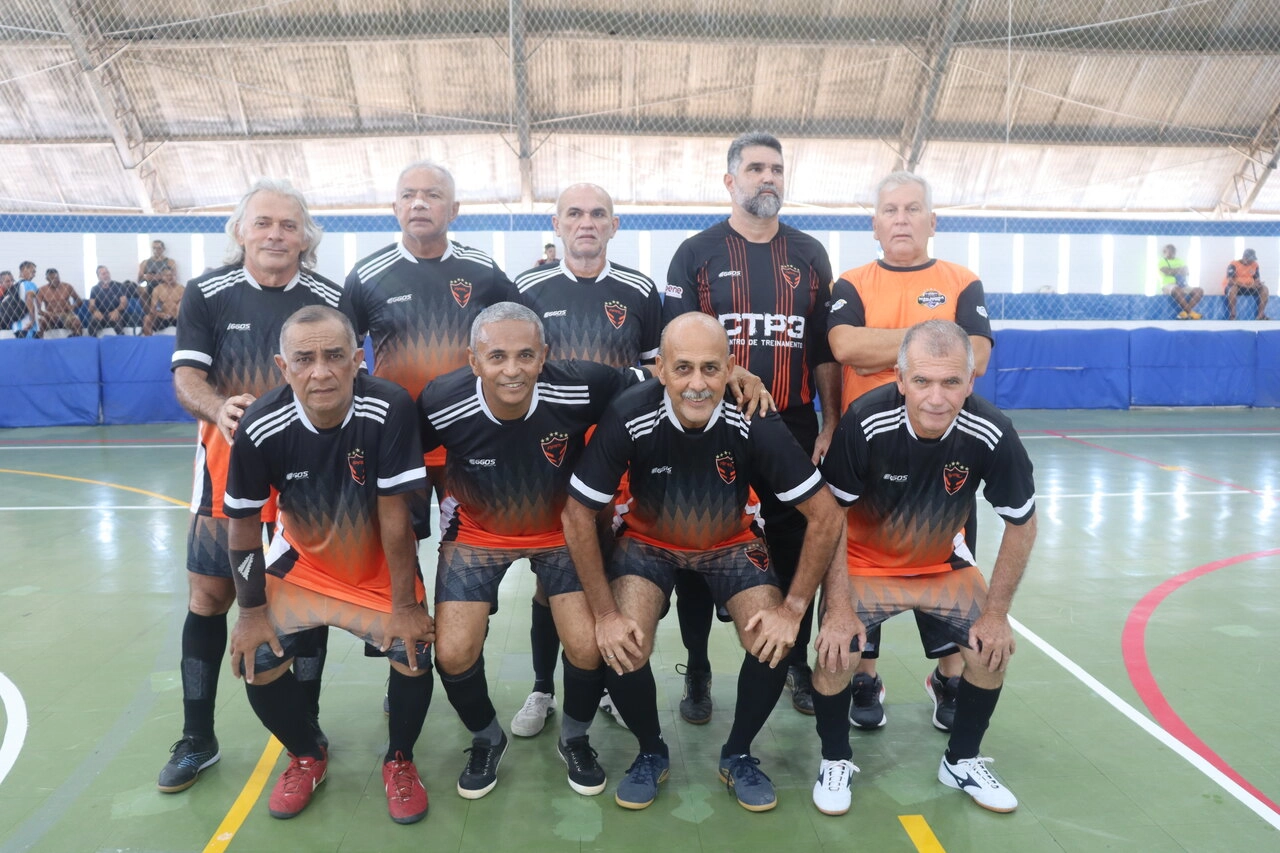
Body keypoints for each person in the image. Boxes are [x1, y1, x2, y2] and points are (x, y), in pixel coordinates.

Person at [562, 312, 842, 812]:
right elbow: (578, 516)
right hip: (648, 542)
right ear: (661, 370)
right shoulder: (630, 412)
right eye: (683, 368)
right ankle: (651, 751)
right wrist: (603, 615)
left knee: (772, 640)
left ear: (731, 368)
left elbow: (824, 516)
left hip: (730, 541)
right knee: (622, 637)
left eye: (711, 369)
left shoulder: (752, 417)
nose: (697, 384)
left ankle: (738, 755)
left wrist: (794, 609)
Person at [417, 302, 650, 800]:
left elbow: (655, 380)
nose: (512, 369)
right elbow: (394, 454)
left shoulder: (580, 384)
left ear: (544, 355)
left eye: (526, 355)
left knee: (588, 645)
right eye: (496, 356)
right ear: (473, 360)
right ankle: (486, 737)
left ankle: (575, 737)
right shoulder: (441, 400)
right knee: (453, 652)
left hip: (560, 532)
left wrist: (736, 373)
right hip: (477, 532)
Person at [809, 319, 1037, 817]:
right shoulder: (865, 420)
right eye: (923, 381)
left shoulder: (991, 429)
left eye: (951, 382)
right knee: (835, 650)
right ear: (900, 379)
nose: (936, 397)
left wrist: (996, 615)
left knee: (990, 648)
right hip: (866, 564)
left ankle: (961, 759)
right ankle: (835, 758)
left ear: (970, 382)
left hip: (941, 567)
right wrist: (839, 608)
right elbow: (831, 518)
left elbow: (1022, 524)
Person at [159, 179, 342, 795]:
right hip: (224, 475)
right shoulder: (207, 293)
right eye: (263, 222)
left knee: (306, 604)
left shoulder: (329, 299)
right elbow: (187, 378)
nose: (275, 235)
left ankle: (308, 731)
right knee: (210, 598)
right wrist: (219, 409)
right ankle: (197, 737)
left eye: (289, 225)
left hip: (306, 484)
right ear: (240, 230)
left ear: (306, 237)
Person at [223, 306, 434, 823]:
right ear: (283, 366)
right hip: (304, 566)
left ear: (357, 360)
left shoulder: (389, 407)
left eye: (335, 356)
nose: (321, 371)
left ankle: (400, 760)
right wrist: (250, 613)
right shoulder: (261, 423)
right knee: (257, 660)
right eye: (305, 359)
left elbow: (393, 512)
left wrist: (404, 604)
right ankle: (306, 755)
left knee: (415, 650)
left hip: (376, 567)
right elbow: (245, 524)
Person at [662, 131, 840, 721]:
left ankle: (792, 660)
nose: (769, 178)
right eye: (757, 168)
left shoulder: (810, 253)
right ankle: (698, 666)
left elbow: (821, 349)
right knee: (697, 542)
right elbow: (672, 340)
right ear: (730, 181)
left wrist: (830, 419)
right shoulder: (696, 252)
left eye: (777, 170)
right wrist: (732, 371)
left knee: (797, 542)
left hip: (789, 420)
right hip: (709, 423)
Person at [826, 170, 993, 734]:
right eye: (890, 210)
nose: (901, 218)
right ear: (875, 224)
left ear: (931, 220)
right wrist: (931, 339)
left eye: (913, 209)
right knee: (860, 562)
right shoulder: (852, 282)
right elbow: (845, 345)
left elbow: (975, 354)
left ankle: (948, 675)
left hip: (947, 457)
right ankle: (866, 676)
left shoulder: (962, 280)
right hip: (871, 457)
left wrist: (891, 345)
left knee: (943, 562)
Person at [509, 182, 662, 736]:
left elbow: (655, 374)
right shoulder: (526, 287)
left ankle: (609, 688)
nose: (587, 223)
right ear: (557, 224)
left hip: (619, 457)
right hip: (551, 456)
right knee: (554, 578)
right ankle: (542, 688)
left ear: (614, 225)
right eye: (574, 213)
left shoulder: (640, 290)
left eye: (599, 213)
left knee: (617, 571)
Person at [36, 269, 84, 337]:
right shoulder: (42, 290)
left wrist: (73, 306)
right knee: (39, 323)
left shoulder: (67, 286)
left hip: (66, 316)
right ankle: (39, 345)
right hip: (50, 318)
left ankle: (75, 342)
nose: (55, 280)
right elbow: (37, 309)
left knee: (76, 323)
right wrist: (46, 314)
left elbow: (80, 301)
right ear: (47, 279)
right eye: (52, 278)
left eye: (57, 278)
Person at [1159, 244, 1202, 320]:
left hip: (1182, 285)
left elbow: (1186, 272)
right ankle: (1190, 312)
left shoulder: (1180, 260)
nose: (1172, 252)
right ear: (1164, 252)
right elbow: (1167, 271)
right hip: (1168, 285)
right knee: (1177, 289)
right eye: (1169, 250)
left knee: (1199, 291)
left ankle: (1184, 313)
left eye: (1173, 250)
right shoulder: (1161, 261)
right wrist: (1179, 270)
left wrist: (1173, 270)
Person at [1225, 248, 1269, 320]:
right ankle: (1233, 315)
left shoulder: (1254, 265)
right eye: (1250, 259)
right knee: (1233, 288)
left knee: (1265, 289)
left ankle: (1261, 315)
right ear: (1244, 257)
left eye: (1253, 259)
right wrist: (1248, 286)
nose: (1251, 261)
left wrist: (1258, 283)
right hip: (1238, 287)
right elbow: (1231, 281)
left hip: (1251, 287)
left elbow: (1256, 278)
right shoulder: (1233, 264)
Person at [86, 266, 129, 335]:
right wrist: (95, 311)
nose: (106, 275)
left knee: (117, 320)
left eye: (107, 273)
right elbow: (91, 305)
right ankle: (93, 342)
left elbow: (124, 303)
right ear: (98, 277)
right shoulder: (94, 289)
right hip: (101, 315)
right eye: (103, 274)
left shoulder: (119, 286)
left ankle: (121, 341)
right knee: (92, 321)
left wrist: (116, 311)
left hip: (116, 312)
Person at [143, 266, 184, 335]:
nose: (169, 277)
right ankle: (149, 342)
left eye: (171, 275)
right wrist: (161, 314)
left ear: (175, 276)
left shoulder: (182, 289)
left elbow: (186, 307)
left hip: (178, 318)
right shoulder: (157, 289)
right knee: (147, 319)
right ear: (162, 276)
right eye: (166, 275)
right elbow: (153, 309)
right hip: (162, 317)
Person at [11, 261, 40, 336]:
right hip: (28, 326)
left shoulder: (14, 286)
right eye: (32, 272)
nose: (34, 275)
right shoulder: (29, 284)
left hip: (15, 327)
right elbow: (29, 299)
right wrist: (33, 320)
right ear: (24, 270)